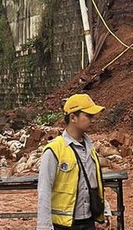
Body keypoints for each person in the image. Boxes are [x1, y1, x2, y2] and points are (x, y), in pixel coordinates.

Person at [37, 93, 106, 230]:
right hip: (63, 225)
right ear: (73, 117)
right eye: (88, 116)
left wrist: (104, 209)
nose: (92, 120)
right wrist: (44, 226)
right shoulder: (54, 150)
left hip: (88, 222)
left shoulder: (90, 148)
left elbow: (93, 184)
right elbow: (44, 190)